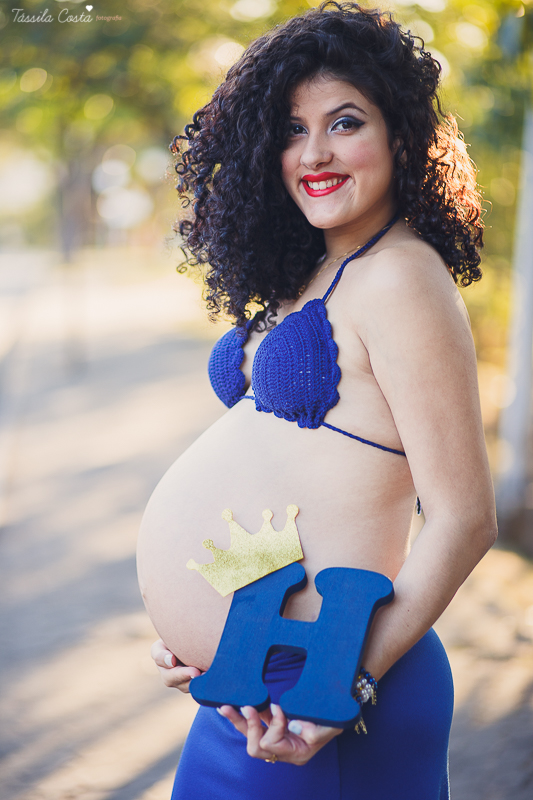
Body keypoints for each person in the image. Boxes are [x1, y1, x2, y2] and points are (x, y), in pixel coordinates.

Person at [137, 3, 497, 798]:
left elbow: (465, 517)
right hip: (255, 680)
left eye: (344, 122)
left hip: (322, 689)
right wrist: (194, 622)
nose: (314, 153)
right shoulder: (319, 270)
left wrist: (341, 684)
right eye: (292, 130)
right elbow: (294, 482)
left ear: (399, 137)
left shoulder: (400, 276)